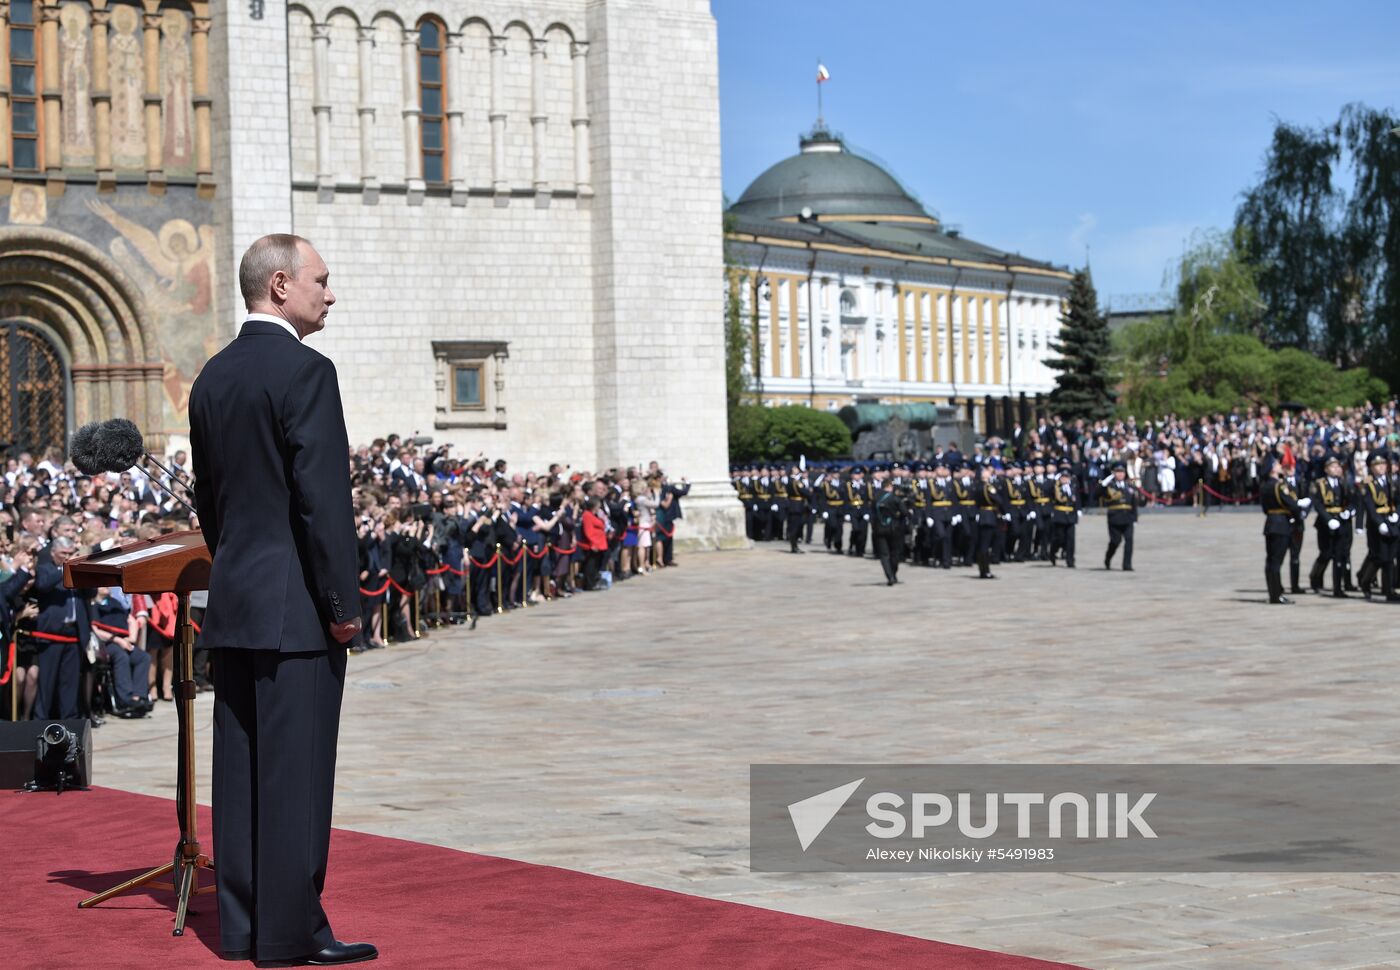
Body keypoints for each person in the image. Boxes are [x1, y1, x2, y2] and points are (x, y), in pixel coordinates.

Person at [189, 234, 374, 966]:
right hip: (297, 608)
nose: (330, 293)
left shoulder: (211, 377)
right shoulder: (306, 372)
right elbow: (322, 503)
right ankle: (292, 934)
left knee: (239, 775)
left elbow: (211, 502)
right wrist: (343, 603)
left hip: (234, 599)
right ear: (279, 287)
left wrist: (237, 567)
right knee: (295, 777)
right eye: (321, 280)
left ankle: (240, 927)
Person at [1309, 454, 1355, 598]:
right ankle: (1315, 577)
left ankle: (1338, 587)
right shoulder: (1319, 484)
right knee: (1326, 553)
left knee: (1340, 555)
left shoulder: (1344, 483)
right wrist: (1328, 519)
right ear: (1326, 469)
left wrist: (1348, 511)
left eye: (1337, 466)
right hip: (1325, 523)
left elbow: (1352, 500)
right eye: (1333, 466)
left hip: (1341, 522)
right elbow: (1317, 503)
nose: (1336, 469)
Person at [1357, 451, 1399, 602]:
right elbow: (1368, 505)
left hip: (1392, 522)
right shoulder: (1368, 484)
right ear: (1371, 468)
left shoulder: (1391, 481)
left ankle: (1388, 590)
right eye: (1377, 465)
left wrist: (1397, 514)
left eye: (1382, 464)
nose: (1381, 467)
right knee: (1380, 557)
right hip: (1377, 525)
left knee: (1390, 558)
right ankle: (1365, 581)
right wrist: (1379, 523)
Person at [1101, 461, 1139, 571]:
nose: (1120, 474)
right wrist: (1105, 482)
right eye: (1117, 472)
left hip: (1128, 517)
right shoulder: (1109, 485)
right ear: (1113, 473)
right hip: (1115, 517)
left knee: (1129, 540)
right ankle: (1108, 558)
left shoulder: (1130, 486)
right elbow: (1100, 493)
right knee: (1115, 541)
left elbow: (1134, 504)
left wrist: (1135, 518)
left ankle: (1127, 565)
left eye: (1122, 471)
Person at [871, 477, 903, 585]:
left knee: (884, 555)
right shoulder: (894, 498)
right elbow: (904, 512)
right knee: (894, 553)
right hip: (894, 528)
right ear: (890, 486)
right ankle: (893, 573)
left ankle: (890, 576)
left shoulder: (875, 497)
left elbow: (872, 514)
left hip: (879, 528)